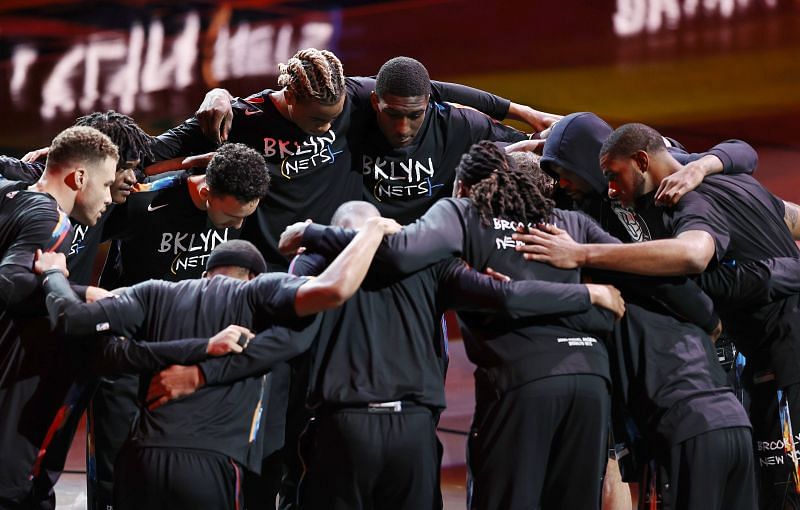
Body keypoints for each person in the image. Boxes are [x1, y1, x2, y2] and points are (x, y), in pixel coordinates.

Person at [520, 122, 797, 509]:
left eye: (566, 174)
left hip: (752, 359)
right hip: (736, 368)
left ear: (639, 162)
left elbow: (697, 253)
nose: (563, 185)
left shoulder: (686, 192)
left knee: (784, 488)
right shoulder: (606, 191)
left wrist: (582, 255)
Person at [35, 217, 400, 510]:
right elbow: (325, 300)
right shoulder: (261, 292)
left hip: (140, 460)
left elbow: (78, 325)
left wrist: (53, 274)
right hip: (211, 463)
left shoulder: (153, 290)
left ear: (206, 272)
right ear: (255, 276)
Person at [153, 48, 556, 270]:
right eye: (316, 121)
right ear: (290, 99)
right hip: (271, 268)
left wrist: (522, 113)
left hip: (334, 260)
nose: (328, 130)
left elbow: (430, 89)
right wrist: (216, 95)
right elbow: (166, 147)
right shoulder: (245, 118)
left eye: (335, 119)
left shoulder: (352, 97)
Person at [0, 126, 117, 508]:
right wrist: (87, 293)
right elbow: (12, 281)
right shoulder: (53, 219)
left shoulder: (10, 194)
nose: (108, 197)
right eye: (106, 184)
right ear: (79, 177)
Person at [0, 110, 153, 286]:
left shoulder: (118, 191)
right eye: (123, 168)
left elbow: (171, 146)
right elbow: (10, 284)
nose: (132, 178)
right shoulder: (41, 205)